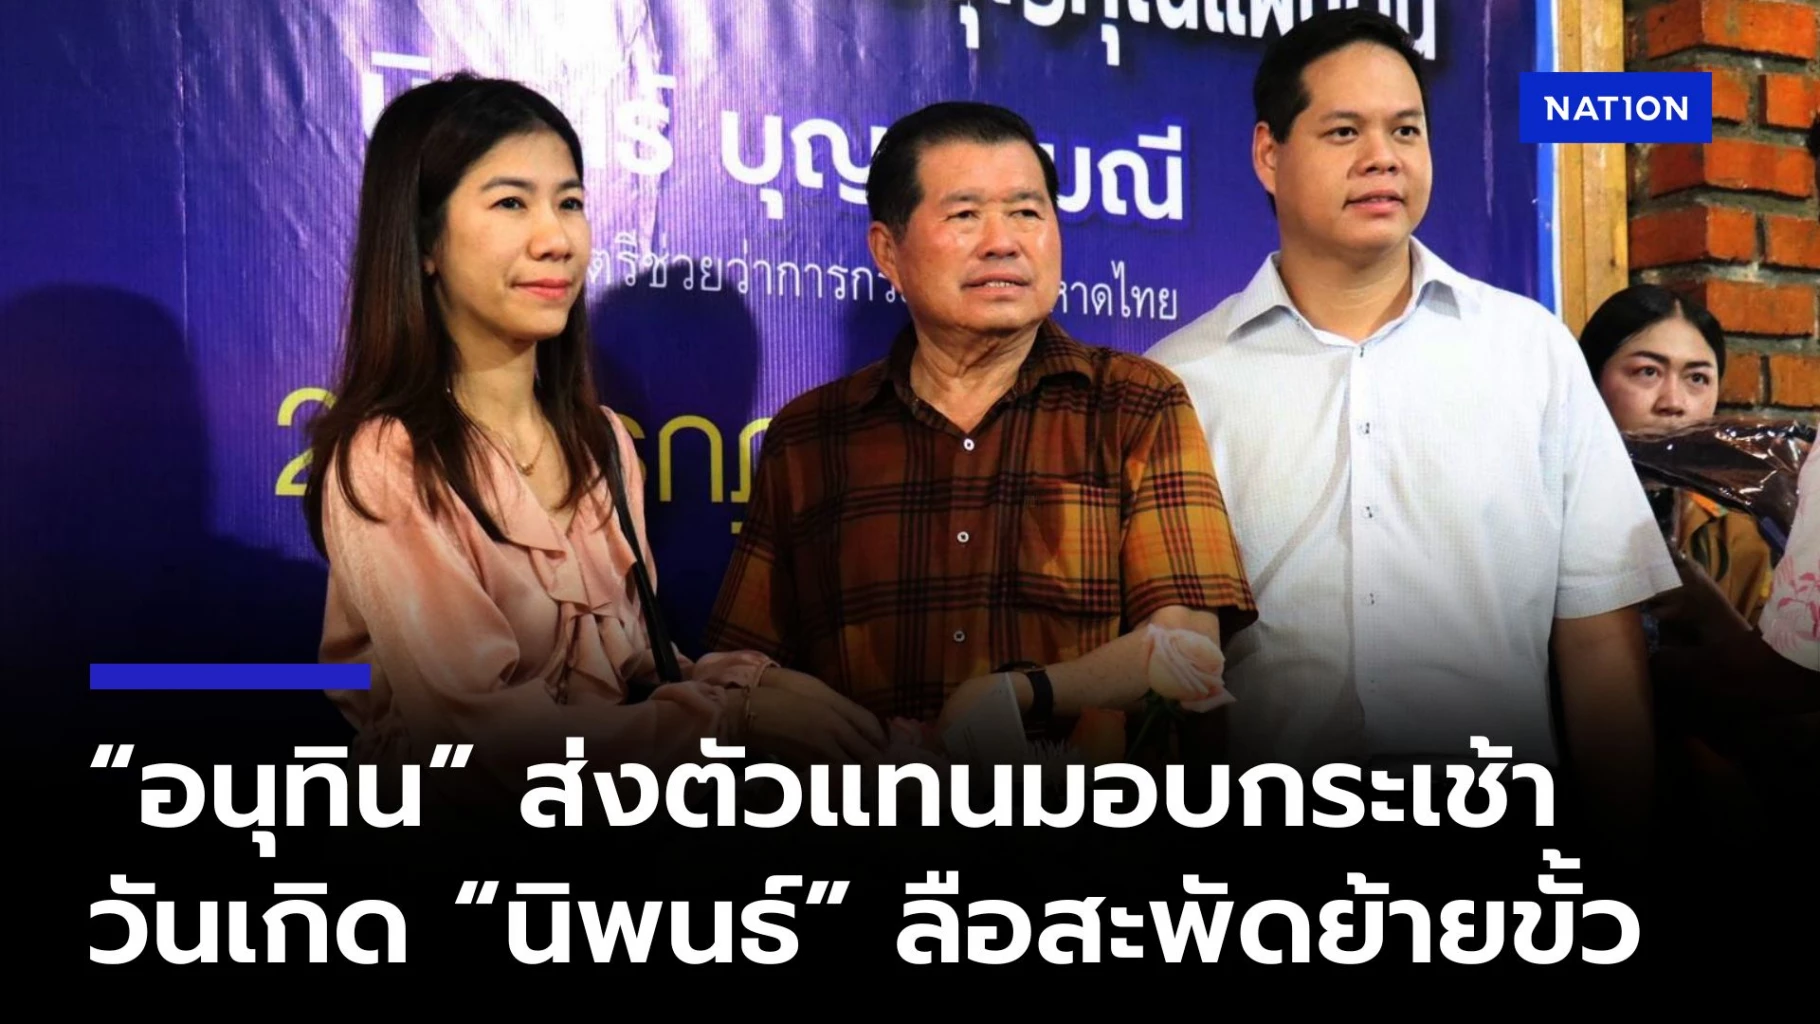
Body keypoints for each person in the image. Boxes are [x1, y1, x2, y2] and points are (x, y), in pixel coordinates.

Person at [1143, 11, 1678, 834]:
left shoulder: (1529, 350)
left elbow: (1598, 637)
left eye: (1405, 130)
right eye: (1344, 131)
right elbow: (1163, 674)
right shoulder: (1181, 381)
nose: (1382, 157)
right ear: (1268, 154)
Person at [303, 73, 884, 789]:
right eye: (511, 203)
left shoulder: (600, 441)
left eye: (570, 203)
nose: (557, 239)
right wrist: (733, 721)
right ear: (425, 242)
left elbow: (634, 667)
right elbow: (478, 737)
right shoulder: (391, 456)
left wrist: (756, 685)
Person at [702, 101, 1257, 747]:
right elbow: (737, 669)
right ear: (887, 251)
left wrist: (1022, 694)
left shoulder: (1134, 403)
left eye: (1027, 213)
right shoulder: (810, 437)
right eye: (965, 215)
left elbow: (1189, 650)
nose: (1003, 241)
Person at [1578, 284, 1772, 630]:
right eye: (1648, 372)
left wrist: (1719, 622)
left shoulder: (1736, 531)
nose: (1673, 402)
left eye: (1697, 378)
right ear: (1591, 381)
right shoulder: (1549, 515)